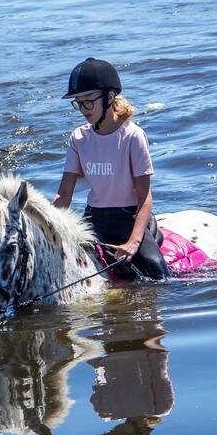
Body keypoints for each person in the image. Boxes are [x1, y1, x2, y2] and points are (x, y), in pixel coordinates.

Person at [52, 58, 171, 280]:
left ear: (109, 96)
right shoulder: (78, 138)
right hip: (93, 220)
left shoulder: (132, 136)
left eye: (88, 102)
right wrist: (46, 223)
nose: (83, 110)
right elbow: (65, 193)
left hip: (127, 218)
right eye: (78, 103)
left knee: (157, 271)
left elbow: (145, 197)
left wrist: (134, 242)